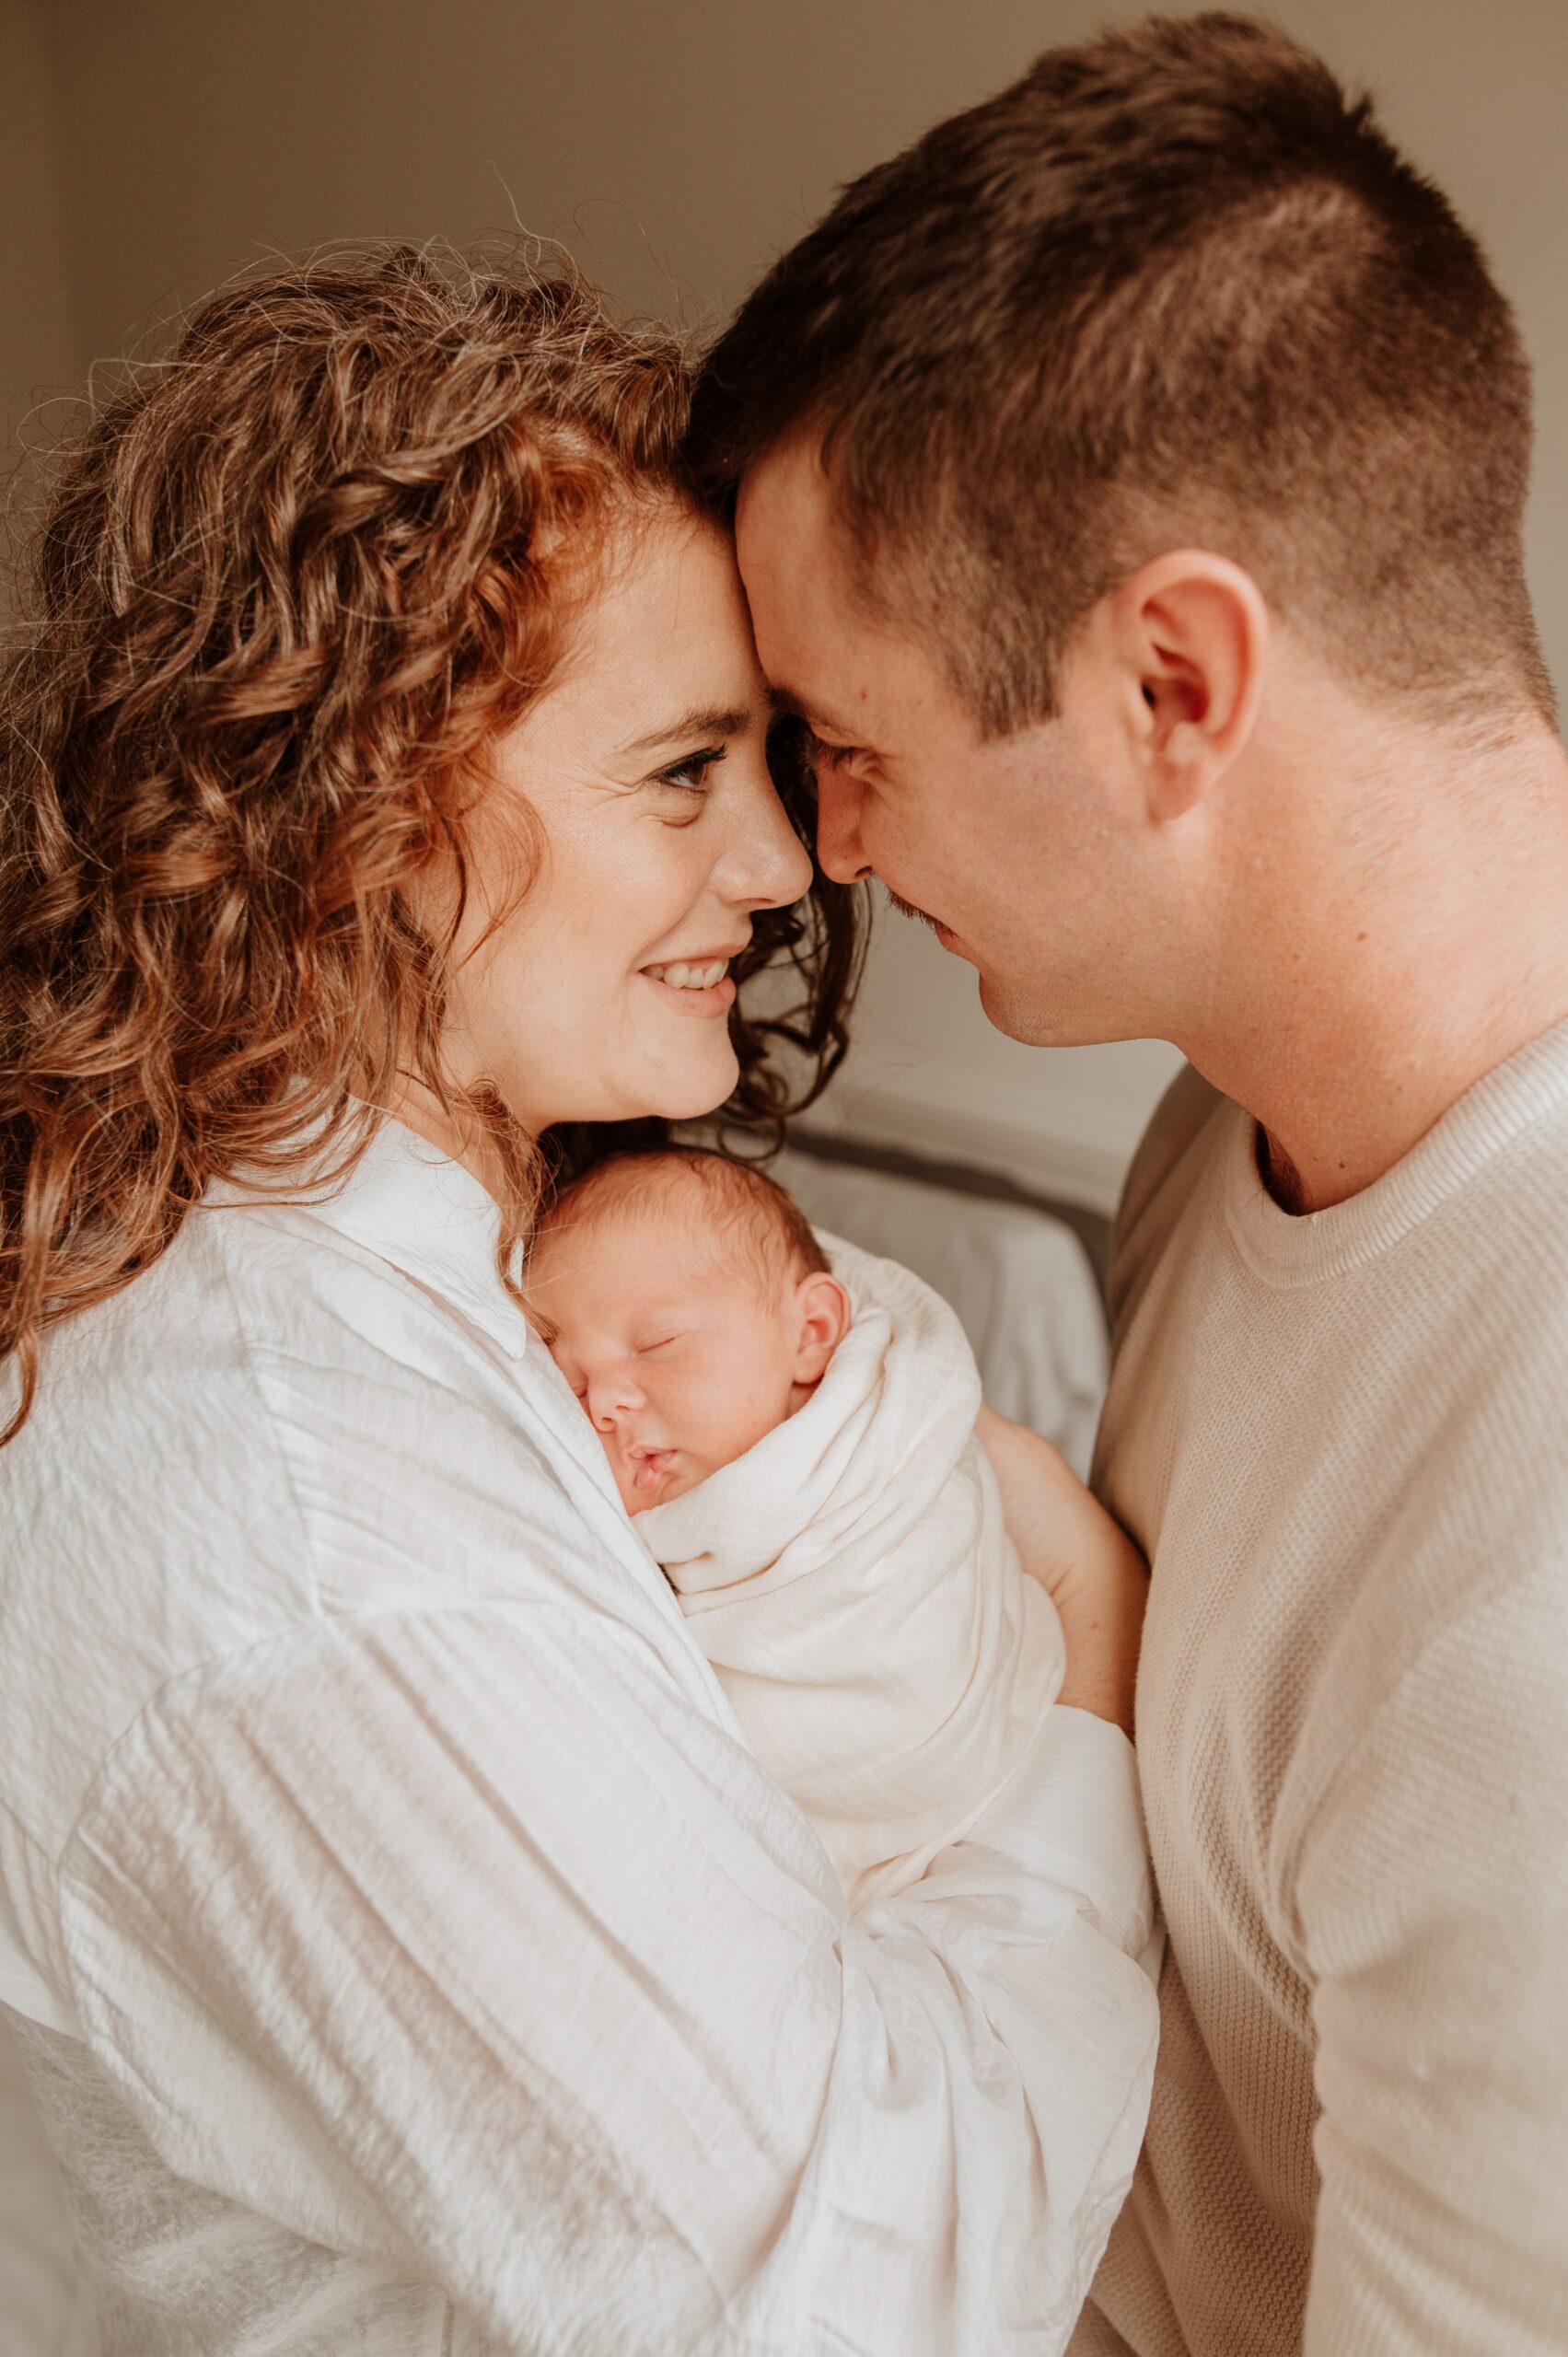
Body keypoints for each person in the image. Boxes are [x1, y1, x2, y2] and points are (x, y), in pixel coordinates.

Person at [0, 248, 1157, 2354]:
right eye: (680, 773)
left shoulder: (463, 1286)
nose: (784, 868)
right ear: (367, 793)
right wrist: (1083, 1677)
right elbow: (865, 2289)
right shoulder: (321, 1539)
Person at [689, 12, 1568, 2354]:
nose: (815, 845)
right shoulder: (1236, 1115)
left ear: (1173, 682)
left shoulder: (1536, 1625)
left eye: (853, 745)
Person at [529, 1145, 1120, 1909]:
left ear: (811, 1332)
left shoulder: (883, 1436)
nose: (602, 1401)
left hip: (992, 1754)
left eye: (655, 1347)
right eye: (569, 1377)